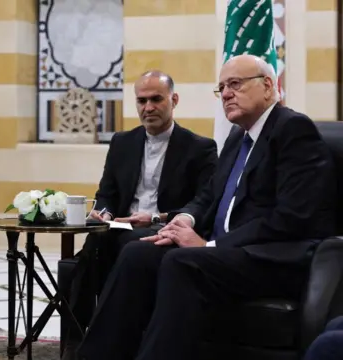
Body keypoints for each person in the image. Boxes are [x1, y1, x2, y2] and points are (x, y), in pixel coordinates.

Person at [70, 54, 338, 360]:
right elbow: (208, 196)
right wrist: (183, 220)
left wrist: (209, 244)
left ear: (267, 86)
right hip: (230, 251)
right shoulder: (239, 137)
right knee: (137, 252)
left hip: (273, 255)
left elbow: (291, 218)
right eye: (221, 87)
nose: (225, 94)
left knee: (182, 262)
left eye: (235, 84)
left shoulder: (293, 129)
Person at [61, 71, 218, 355]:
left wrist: (157, 217)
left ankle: (100, 344)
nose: (148, 108)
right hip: (119, 227)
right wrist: (104, 213)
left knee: (122, 246)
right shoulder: (122, 141)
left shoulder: (200, 148)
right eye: (141, 101)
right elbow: (106, 193)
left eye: (156, 99)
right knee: (96, 240)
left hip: (161, 230)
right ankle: (74, 335)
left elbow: (203, 203)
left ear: (174, 100)